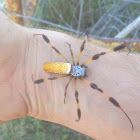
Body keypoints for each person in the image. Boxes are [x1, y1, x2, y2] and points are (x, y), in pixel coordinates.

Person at [0, 11, 140, 140]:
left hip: (67, 68)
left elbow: (81, 50)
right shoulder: (74, 69)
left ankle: (38, 72)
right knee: (92, 87)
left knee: (92, 84)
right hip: (65, 69)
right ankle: (38, 78)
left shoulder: (75, 64)